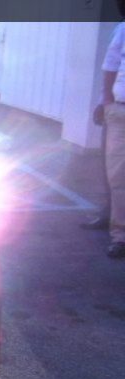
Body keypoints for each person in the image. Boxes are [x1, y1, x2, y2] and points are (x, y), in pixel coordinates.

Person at [100, 21, 125, 258]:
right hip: (121, 113)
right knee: (118, 176)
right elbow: (110, 65)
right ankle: (121, 236)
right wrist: (107, 102)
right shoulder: (123, 29)